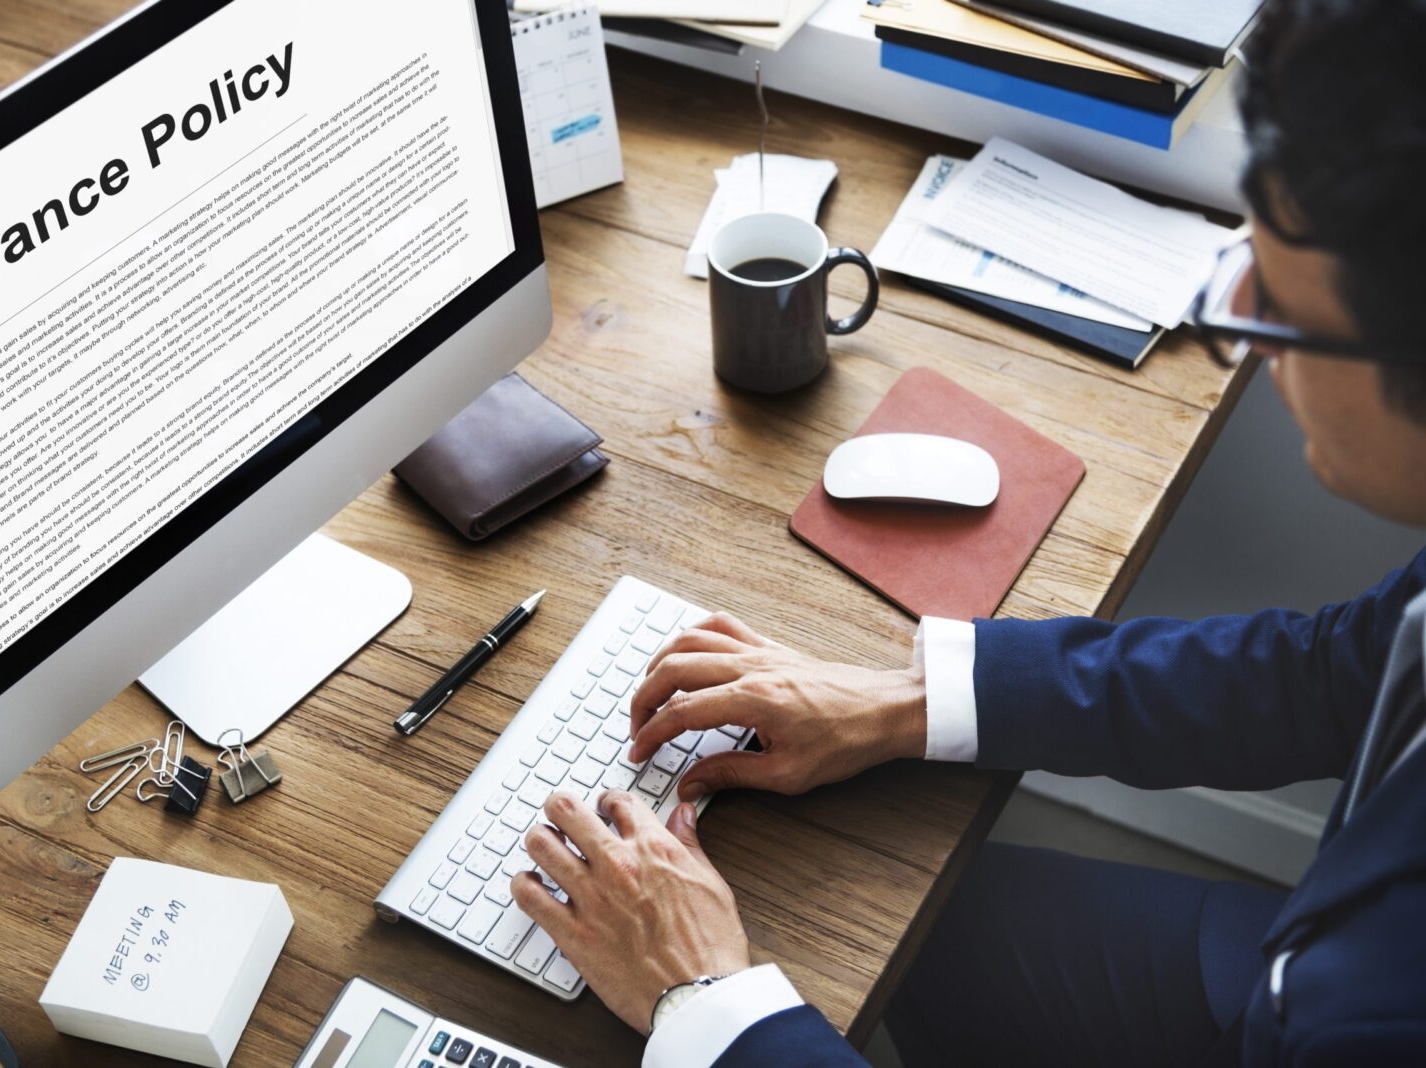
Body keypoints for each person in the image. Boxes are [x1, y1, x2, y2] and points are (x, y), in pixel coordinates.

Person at [506, 0, 1426, 1063]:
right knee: (921, 927)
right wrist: (908, 701)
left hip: (1308, 1010)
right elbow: (1333, 674)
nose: (1249, 346)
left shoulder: (1377, 1021)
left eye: (1276, 312)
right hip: (1296, 962)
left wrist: (705, 1000)